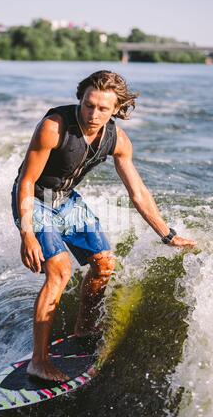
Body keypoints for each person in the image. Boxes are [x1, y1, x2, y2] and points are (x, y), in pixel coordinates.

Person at [11, 70, 196, 382]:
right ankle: (38, 361)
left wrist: (168, 234)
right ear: (80, 100)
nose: (93, 114)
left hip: (67, 199)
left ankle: (83, 326)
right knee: (59, 270)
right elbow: (27, 182)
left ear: (116, 110)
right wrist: (27, 232)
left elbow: (138, 193)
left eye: (102, 108)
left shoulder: (117, 140)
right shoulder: (53, 127)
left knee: (104, 263)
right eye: (88, 105)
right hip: (35, 198)